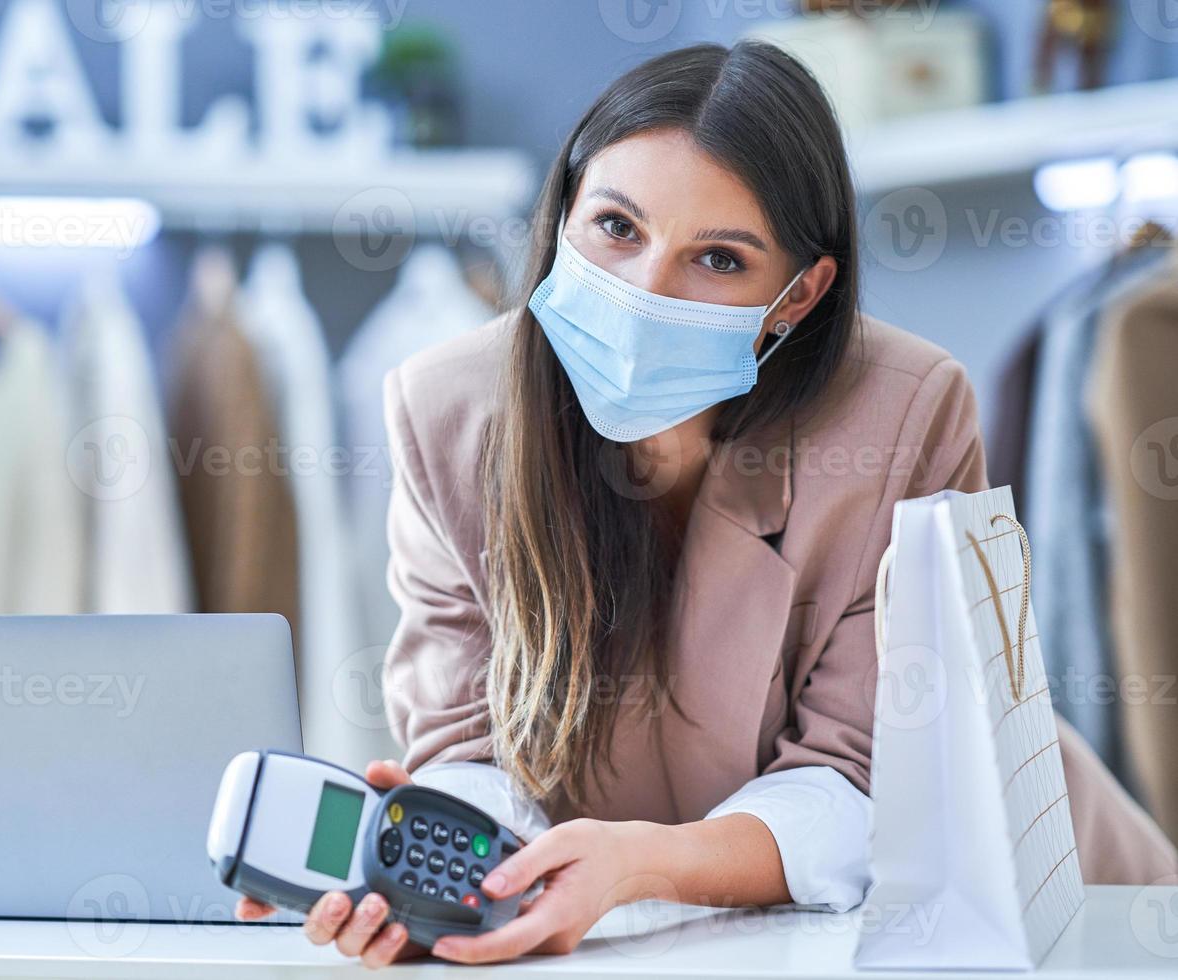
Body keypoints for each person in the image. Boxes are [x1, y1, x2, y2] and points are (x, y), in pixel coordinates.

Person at [237, 40, 1178, 967]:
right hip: (666, 935)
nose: (646, 291)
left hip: (1069, 914)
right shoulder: (447, 409)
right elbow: (466, 746)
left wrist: (646, 864)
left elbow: (861, 773)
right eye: (616, 226)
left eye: (719, 259)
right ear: (563, 212)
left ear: (799, 295)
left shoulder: (907, 411)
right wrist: (449, 882)